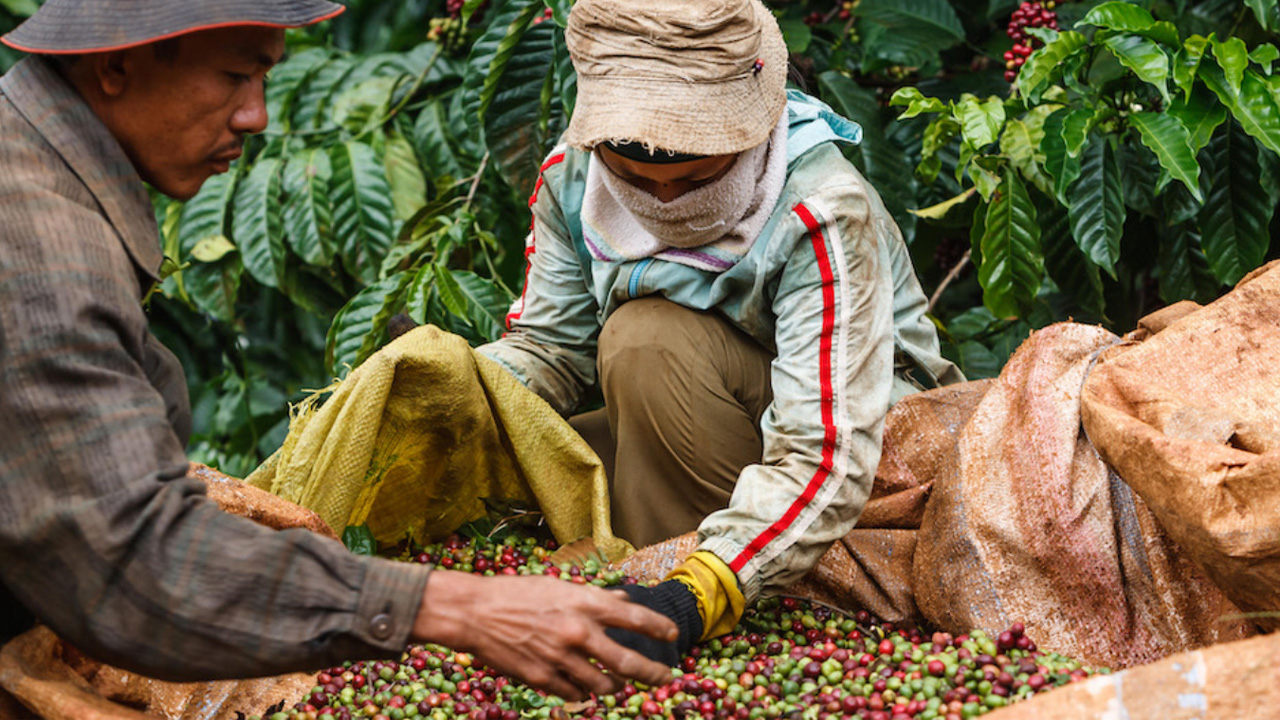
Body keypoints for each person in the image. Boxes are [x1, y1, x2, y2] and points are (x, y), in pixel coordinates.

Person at [0, 0, 676, 700]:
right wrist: (458, 607)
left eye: (264, 80)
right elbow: (137, 567)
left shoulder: (36, 170)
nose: (255, 116)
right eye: (235, 76)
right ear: (115, 66)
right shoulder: (44, 252)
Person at [478, 0, 964, 659]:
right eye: (635, 180)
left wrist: (700, 589)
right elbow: (550, 349)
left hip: (856, 466)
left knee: (647, 340)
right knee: (501, 452)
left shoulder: (819, 208)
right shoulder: (572, 181)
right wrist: (458, 386)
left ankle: (684, 599)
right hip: (695, 425)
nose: (666, 203)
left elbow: (826, 448)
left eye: (696, 178)